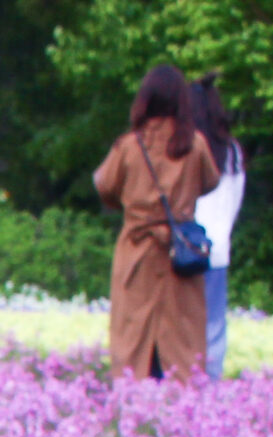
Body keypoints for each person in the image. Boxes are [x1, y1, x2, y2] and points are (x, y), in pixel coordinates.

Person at [92, 65, 219, 380]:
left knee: (133, 337)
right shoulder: (195, 145)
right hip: (181, 253)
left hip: (138, 253)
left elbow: (105, 186)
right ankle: (179, 412)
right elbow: (210, 182)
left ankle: (136, 410)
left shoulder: (130, 146)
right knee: (182, 340)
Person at [191, 78, 245, 380]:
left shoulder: (186, 148)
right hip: (218, 249)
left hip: (185, 247)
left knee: (183, 323)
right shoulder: (232, 152)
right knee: (213, 326)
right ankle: (210, 386)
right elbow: (235, 200)